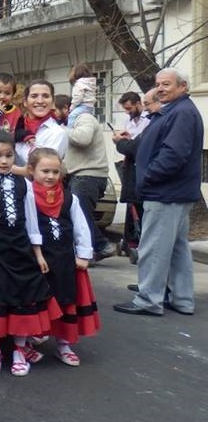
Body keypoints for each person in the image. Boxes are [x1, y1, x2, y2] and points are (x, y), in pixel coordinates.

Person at [0, 131, 61, 377]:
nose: (4, 161)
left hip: (20, 250)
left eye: (9, 155)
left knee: (24, 298)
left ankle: (19, 349)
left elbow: (31, 222)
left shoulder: (24, 184)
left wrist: (38, 253)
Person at [114, 68, 203, 317]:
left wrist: (148, 178)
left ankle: (148, 300)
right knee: (176, 248)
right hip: (173, 192)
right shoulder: (173, 111)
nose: (161, 88)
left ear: (183, 87)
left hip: (165, 192)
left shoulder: (181, 112)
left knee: (154, 246)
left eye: (167, 84)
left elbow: (174, 154)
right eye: (158, 84)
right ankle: (182, 299)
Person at [28, 148, 100, 365]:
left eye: (55, 172)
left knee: (66, 300)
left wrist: (84, 254)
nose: (50, 176)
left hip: (64, 260)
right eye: (45, 171)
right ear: (31, 170)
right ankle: (30, 340)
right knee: (38, 301)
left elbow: (81, 227)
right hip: (38, 261)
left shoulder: (70, 198)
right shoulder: (27, 195)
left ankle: (64, 344)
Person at [63, 92, 116, 261]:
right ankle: (92, 249)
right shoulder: (75, 121)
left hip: (88, 176)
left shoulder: (83, 118)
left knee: (80, 215)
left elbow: (83, 138)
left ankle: (101, 245)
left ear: (65, 108)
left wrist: (62, 130)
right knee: (78, 214)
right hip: (82, 175)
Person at [113, 89, 161, 262]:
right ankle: (131, 240)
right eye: (125, 109)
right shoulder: (129, 121)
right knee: (131, 205)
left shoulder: (150, 121)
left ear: (139, 104)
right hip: (130, 167)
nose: (128, 112)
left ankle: (139, 243)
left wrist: (122, 142)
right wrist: (122, 140)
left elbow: (135, 147)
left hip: (141, 168)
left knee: (140, 208)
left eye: (130, 108)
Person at [14, 80, 67, 166]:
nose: (40, 101)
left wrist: (9, 169)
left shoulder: (57, 133)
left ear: (53, 102)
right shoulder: (14, 126)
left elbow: (44, 169)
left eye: (45, 96)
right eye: (34, 96)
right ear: (25, 102)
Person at [67, 63, 96, 127]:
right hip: (90, 106)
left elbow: (78, 97)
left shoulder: (79, 83)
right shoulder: (90, 82)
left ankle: (69, 132)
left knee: (71, 116)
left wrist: (72, 107)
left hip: (83, 105)